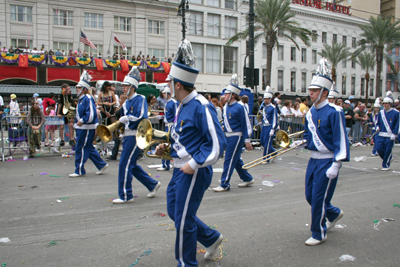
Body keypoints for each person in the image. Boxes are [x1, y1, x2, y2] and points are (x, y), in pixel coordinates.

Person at [157, 39, 227, 266]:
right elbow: (184, 139)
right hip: (180, 168)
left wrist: (195, 164)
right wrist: (166, 149)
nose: (167, 86)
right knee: (174, 211)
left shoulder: (201, 105)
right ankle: (211, 237)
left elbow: (217, 144)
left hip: (193, 170)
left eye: (170, 82)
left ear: (178, 84)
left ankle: (186, 263)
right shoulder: (181, 104)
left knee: (183, 220)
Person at [301, 58, 349, 246]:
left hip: (328, 160)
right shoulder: (310, 113)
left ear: (324, 92)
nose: (310, 93)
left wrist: (336, 164)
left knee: (318, 198)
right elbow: (309, 135)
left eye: (314, 91)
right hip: (313, 160)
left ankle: (319, 233)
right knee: (309, 196)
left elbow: (341, 140)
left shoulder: (335, 111)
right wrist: (301, 141)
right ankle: (334, 213)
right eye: (310, 90)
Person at [112, 67, 161, 204]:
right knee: (130, 164)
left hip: (136, 135)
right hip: (128, 135)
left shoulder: (140, 98)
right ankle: (152, 184)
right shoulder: (127, 102)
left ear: (133, 87)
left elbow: (141, 116)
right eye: (123, 85)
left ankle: (126, 195)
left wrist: (126, 118)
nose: (123, 87)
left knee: (124, 164)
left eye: (126, 85)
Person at [213, 74, 254, 192]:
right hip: (228, 136)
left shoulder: (240, 107)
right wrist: (223, 128)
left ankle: (224, 183)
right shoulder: (226, 107)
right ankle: (248, 178)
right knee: (235, 160)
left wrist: (247, 140)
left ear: (232, 95)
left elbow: (246, 124)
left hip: (237, 136)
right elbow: (227, 122)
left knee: (229, 159)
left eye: (226, 93)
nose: (224, 95)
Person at [69, 71, 108, 178]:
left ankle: (79, 169)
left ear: (84, 88)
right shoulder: (82, 99)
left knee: (80, 148)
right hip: (83, 127)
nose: (76, 89)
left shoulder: (88, 98)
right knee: (88, 147)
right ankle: (101, 165)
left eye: (79, 87)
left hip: (86, 128)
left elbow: (91, 114)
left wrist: (81, 120)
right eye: (77, 87)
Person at [375, 91, 399, 171]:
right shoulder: (381, 113)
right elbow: (377, 122)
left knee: (388, 150)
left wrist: (395, 133)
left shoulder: (396, 113)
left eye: (386, 103)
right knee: (379, 148)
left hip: (390, 135)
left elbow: (398, 124)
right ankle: (388, 158)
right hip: (381, 134)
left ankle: (385, 165)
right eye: (384, 103)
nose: (385, 105)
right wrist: (377, 127)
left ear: (390, 104)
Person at [157, 85, 178, 171]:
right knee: (166, 144)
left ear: (168, 93)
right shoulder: (168, 103)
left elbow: (176, 115)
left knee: (166, 144)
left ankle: (165, 165)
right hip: (167, 124)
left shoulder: (172, 102)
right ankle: (165, 164)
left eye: (164, 93)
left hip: (170, 125)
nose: (163, 94)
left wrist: (173, 125)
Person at [106, 95, 128, 161]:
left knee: (118, 140)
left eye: (120, 99)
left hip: (122, 126)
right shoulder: (126, 105)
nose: (119, 100)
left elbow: (116, 113)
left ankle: (114, 155)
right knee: (118, 140)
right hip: (123, 126)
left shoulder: (124, 105)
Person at [259, 89, 278, 164]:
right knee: (262, 141)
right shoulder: (264, 108)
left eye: (267, 99)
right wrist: (261, 122)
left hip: (270, 127)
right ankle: (274, 152)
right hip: (264, 126)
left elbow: (274, 119)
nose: (265, 100)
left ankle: (266, 159)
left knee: (267, 143)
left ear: (270, 99)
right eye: (265, 99)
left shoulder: (273, 108)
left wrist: (273, 128)